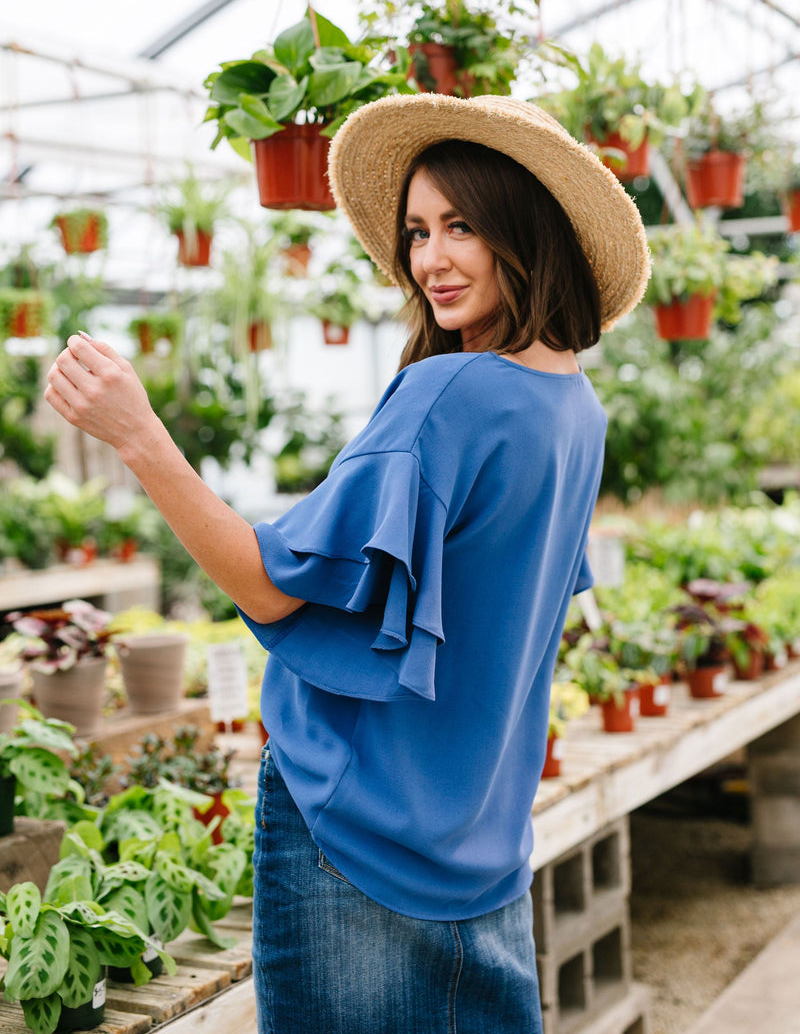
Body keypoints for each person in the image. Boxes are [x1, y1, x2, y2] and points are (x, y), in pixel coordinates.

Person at [45, 93, 649, 1034]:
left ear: (523, 230)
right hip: (481, 840)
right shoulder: (576, 409)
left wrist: (138, 435)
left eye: (462, 226)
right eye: (416, 232)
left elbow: (265, 585)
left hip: (354, 834)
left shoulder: (449, 394)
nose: (430, 259)